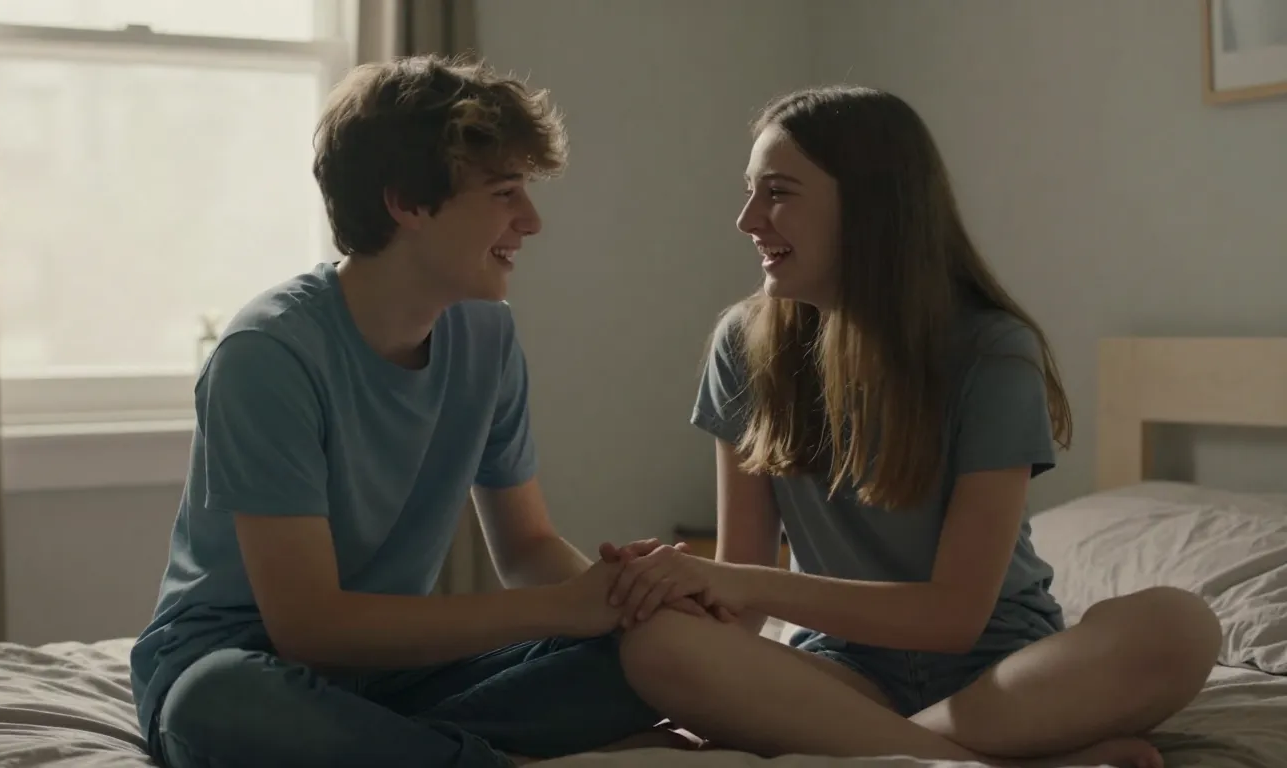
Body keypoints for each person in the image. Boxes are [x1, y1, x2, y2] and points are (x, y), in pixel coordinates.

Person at [603, 85, 1223, 768]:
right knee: (658, 645)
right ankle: (976, 760)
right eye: (751, 192)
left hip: (1001, 672)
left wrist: (740, 586)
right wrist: (679, 592)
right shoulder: (743, 347)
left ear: (871, 207)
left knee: (1181, 625)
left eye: (777, 193)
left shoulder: (991, 352)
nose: (748, 219)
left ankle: (886, 748)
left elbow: (952, 617)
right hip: (844, 672)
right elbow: (743, 592)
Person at [128, 54, 705, 768]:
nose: (531, 220)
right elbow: (312, 628)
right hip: (253, 665)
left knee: (655, 651)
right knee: (218, 704)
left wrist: (621, 599)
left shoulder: (486, 335)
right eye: (504, 192)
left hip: (398, 677)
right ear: (407, 202)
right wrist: (563, 608)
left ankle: (413, 750)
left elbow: (526, 547)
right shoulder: (267, 354)